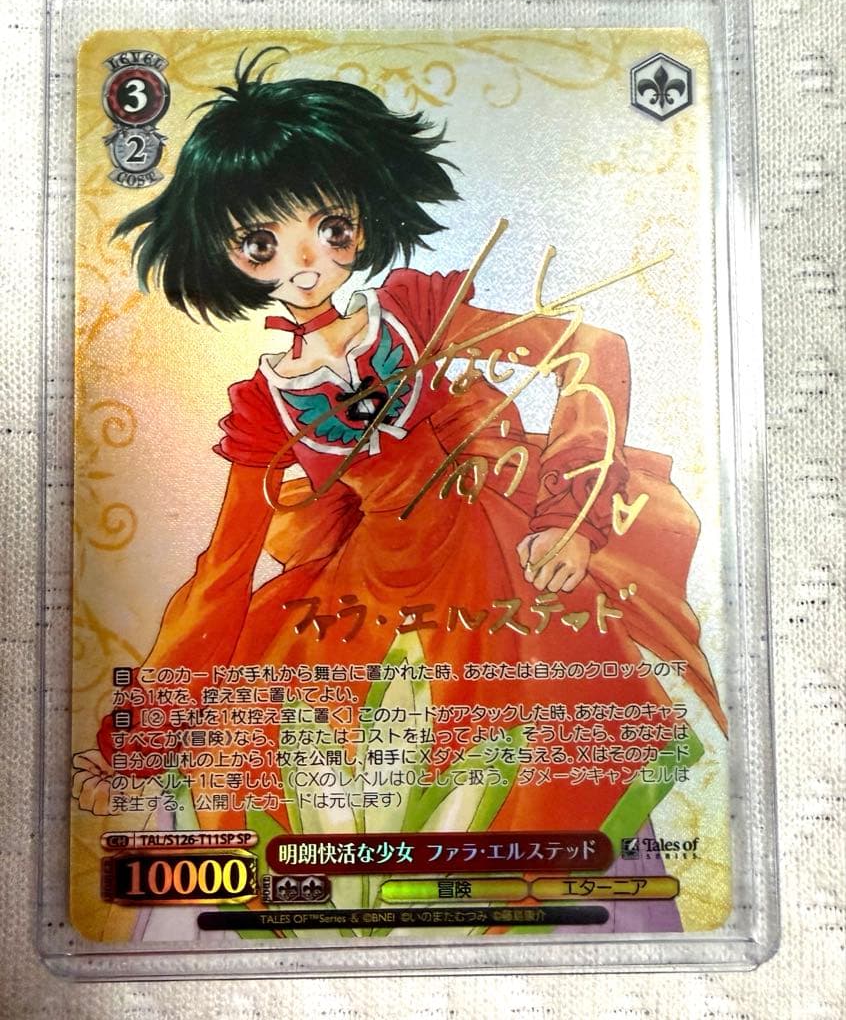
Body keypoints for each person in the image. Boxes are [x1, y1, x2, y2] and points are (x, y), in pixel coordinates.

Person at [73, 49, 725, 847]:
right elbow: (224, 571)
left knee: (533, 776)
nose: (304, 263)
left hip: (497, 574)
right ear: (223, 254)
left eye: (331, 229)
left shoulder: (414, 317)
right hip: (360, 601)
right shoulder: (266, 403)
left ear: (363, 215)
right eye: (260, 244)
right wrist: (140, 740)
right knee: (320, 787)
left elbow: (590, 349)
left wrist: (571, 516)